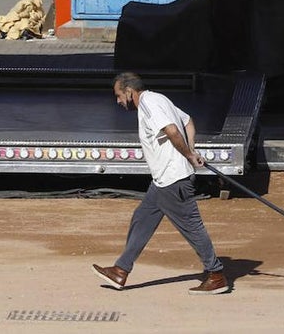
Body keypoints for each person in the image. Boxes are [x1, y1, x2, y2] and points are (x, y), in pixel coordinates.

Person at [92, 72, 230, 295]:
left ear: (129, 91)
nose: (118, 101)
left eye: (119, 96)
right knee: (142, 219)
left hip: (173, 179)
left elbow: (173, 130)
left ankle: (216, 275)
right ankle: (120, 270)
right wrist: (192, 151)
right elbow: (188, 121)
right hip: (163, 180)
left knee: (192, 227)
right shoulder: (159, 98)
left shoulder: (148, 104)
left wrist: (188, 154)